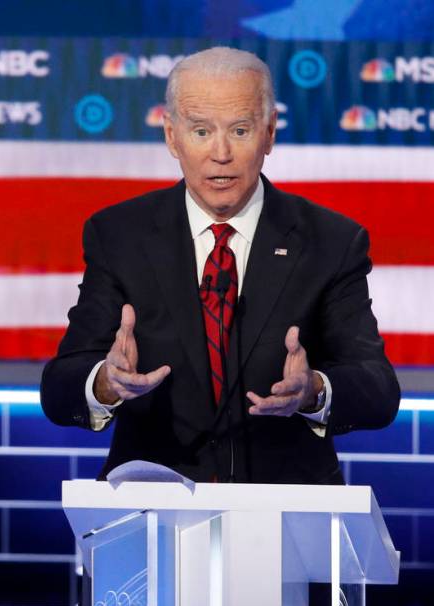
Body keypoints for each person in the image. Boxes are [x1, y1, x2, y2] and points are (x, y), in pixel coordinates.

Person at [41, 47, 400, 485]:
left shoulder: (330, 242)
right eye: (200, 131)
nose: (221, 153)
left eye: (241, 130)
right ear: (172, 137)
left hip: (287, 515)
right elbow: (59, 390)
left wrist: (314, 392)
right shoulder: (119, 235)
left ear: (269, 134)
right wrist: (105, 383)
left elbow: (378, 391)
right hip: (152, 512)